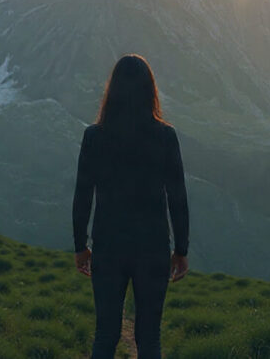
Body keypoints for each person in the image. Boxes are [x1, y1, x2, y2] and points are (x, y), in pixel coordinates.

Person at [72, 54, 190, 359]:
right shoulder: (165, 137)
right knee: (149, 337)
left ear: (112, 91)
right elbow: (178, 197)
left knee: (106, 334)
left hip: (108, 245)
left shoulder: (94, 137)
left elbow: (83, 194)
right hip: (152, 247)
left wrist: (79, 246)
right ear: (150, 90)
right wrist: (181, 250)